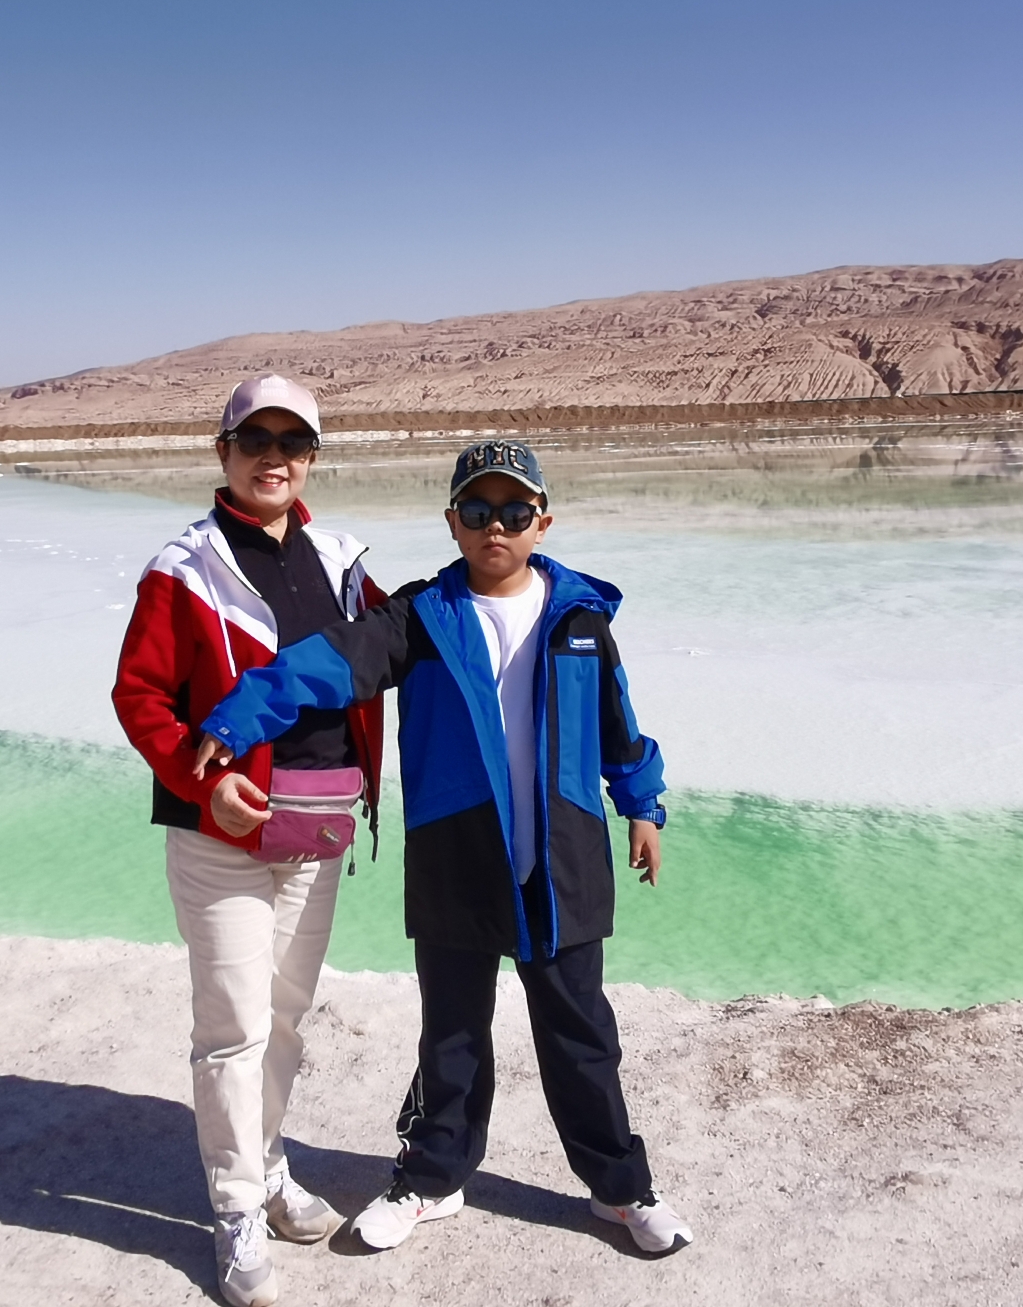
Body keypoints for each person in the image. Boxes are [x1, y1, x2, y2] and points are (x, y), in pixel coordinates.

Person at [193, 439, 693, 1257]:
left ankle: (620, 1189)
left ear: (542, 522)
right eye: (478, 510)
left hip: (563, 861)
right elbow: (329, 666)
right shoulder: (420, 618)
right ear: (453, 522)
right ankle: (432, 1179)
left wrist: (642, 806)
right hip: (456, 856)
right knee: (453, 1034)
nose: (497, 526)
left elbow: (618, 726)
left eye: (515, 511)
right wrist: (240, 714)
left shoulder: (580, 619)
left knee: (582, 1035)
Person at [109, 375, 385, 1307]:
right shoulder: (184, 569)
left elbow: (399, 643)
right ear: (223, 452)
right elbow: (139, 696)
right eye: (255, 440)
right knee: (234, 1027)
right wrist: (204, 783)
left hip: (316, 823)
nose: (275, 457)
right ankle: (234, 1210)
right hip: (221, 834)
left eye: (293, 442)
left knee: (288, 1015)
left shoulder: (341, 561)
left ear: (312, 457)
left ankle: (267, 1168)